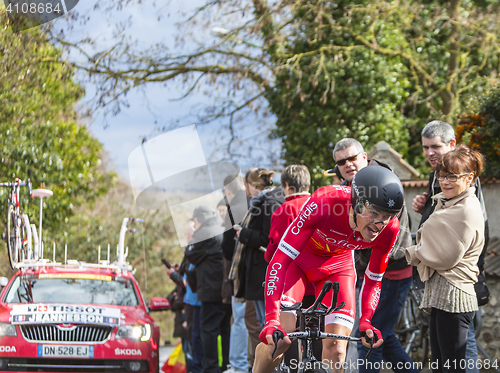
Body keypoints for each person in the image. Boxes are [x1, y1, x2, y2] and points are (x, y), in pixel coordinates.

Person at [254, 166, 404, 373]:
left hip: (338, 267)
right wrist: (271, 318)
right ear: (356, 204)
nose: (380, 224)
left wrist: (367, 320)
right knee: (279, 340)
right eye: (374, 213)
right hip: (299, 262)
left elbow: (374, 278)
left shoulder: (390, 229)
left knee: (336, 351)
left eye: (388, 215)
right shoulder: (324, 203)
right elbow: (279, 260)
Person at [333, 138, 418, 373]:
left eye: (352, 158)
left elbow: (375, 235)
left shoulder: (385, 180)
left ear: (364, 157)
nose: (348, 164)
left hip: (391, 271)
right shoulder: (351, 188)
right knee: (381, 335)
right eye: (341, 162)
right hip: (369, 272)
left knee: (368, 338)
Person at [412, 120, 489, 373]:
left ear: (469, 178)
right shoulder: (442, 185)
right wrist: (425, 205)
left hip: (457, 290)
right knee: (443, 365)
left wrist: (410, 250)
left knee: (458, 363)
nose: (429, 153)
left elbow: (447, 248)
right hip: (443, 293)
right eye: (425, 147)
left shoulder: (465, 199)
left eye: (435, 146)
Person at [185, 205, 231, 373]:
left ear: (199, 220)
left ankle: (211, 368)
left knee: (208, 331)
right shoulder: (220, 227)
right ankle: (227, 365)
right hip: (226, 289)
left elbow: (190, 255)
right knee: (226, 330)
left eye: (195, 222)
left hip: (211, 292)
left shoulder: (204, 233)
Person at [221, 173, 250, 373]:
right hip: (258, 271)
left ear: (228, 191)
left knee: (240, 320)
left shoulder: (235, 208)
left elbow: (226, 245)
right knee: (254, 320)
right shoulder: (255, 203)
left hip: (240, 272)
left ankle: (239, 365)